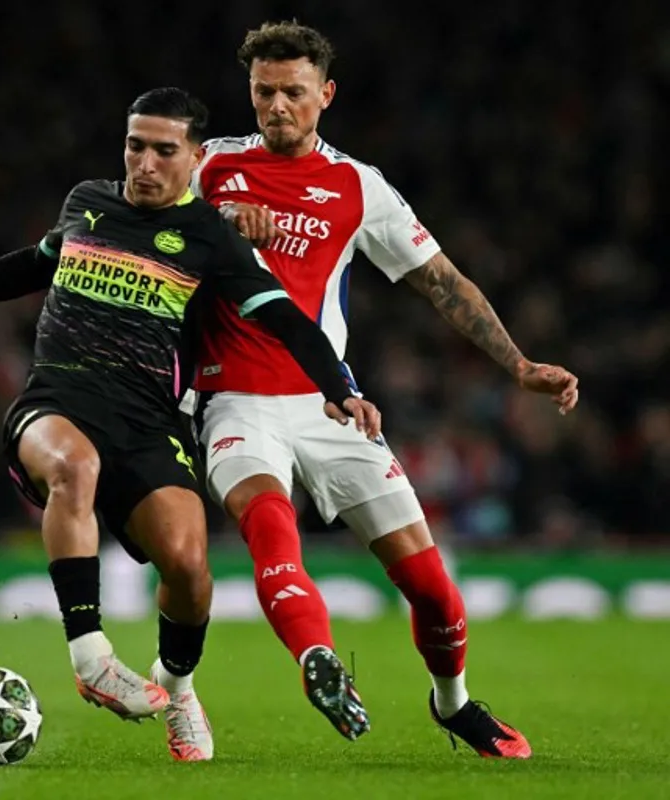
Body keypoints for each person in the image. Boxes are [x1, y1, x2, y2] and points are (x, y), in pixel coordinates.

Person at [0, 87, 381, 762]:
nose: (145, 162)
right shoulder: (88, 202)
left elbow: (284, 318)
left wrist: (339, 387)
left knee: (191, 568)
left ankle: (179, 688)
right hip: (57, 400)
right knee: (74, 469)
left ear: (196, 158)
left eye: (165, 150)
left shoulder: (211, 239)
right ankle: (92, 657)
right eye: (136, 144)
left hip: (147, 421)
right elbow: (33, 265)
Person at [188, 21, 580, 759]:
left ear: (325, 96)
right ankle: (317, 660)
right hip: (233, 397)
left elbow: (440, 281)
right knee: (271, 524)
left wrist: (520, 365)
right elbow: (137, 228)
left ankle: (454, 703)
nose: (276, 106)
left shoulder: (357, 186)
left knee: (434, 590)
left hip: (330, 402)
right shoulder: (208, 166)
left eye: (293, 93)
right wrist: (212, 221)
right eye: (263, 92)